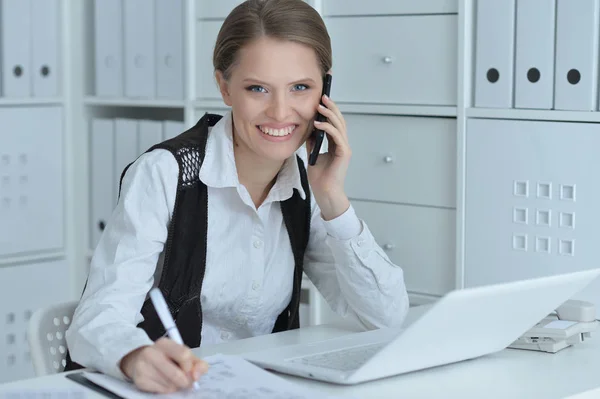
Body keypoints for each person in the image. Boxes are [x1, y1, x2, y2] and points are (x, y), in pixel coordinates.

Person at [65, 0, 409, 393]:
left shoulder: (305, 187)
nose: (281, 112)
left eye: (300, 87)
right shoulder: (166, 174)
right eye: (257, 88)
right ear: (225, 87)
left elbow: (387, 316)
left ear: (324, 92)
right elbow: (96, 318)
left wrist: (333, 198)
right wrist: (134, 356)